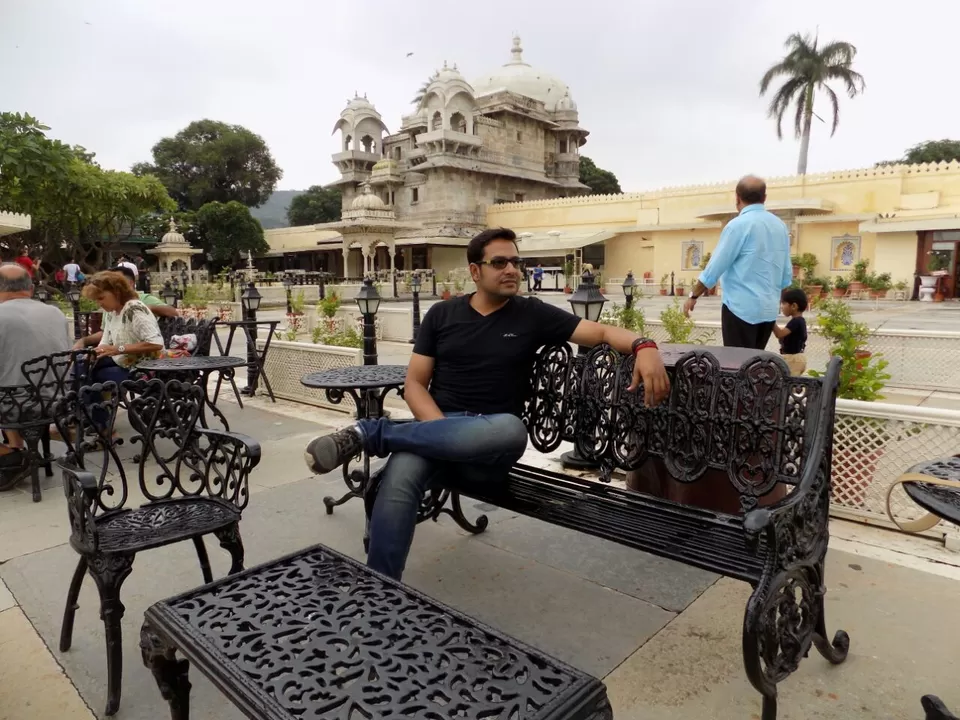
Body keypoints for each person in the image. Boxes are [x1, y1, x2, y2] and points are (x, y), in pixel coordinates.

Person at [303, 227, 671, 580]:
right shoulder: (442, 315)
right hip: (437, 432)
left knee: (512, 428)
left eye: (516, 262)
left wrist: (644, 346)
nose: (512, 270)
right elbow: (415, 383)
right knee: (398, 480)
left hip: (489, 446)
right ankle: (380, 591)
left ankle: (372, 433)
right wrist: (440, 433)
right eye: (500, 263)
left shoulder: (532, 313)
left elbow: (602, 331)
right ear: (475, 271)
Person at [683, 175, 792, 349]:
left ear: (737, 198)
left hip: (740, 311)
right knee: (755, 365)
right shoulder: (780, 226)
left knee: (737, 367)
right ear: (764, 197)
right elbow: (786, 273)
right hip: (768, 312)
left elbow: (716, 266)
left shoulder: (737, 226)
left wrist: (693, 295)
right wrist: (785, 303)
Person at [0, 264, 71, 469]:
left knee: (10, 384)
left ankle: (14, 455)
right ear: (30, 288)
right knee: (11, 378)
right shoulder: (55, 313)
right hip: (58, 401)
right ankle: (16, 447)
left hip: (16, 405)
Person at [73, 272, 164, 430]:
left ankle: (90, 420)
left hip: (143, 366)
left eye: (101, 298)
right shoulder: (111, 312)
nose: (99, 304)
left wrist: (117, 349)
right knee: (83, 363)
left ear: (116, 292)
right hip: (123, 360)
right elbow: (105, 342)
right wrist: (95, 353)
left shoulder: (134, 309)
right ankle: (90, 418)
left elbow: (156, 343)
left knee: (91, 376)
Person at [773, 288, 808, 376]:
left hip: (793, 360)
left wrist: (770, 321)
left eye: (784, 303)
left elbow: (779, 334)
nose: (781, 307)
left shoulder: (796, 322)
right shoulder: (799, 321)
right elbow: (783, 336)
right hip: (796, 359)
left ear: (794, 306)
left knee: (789, 385)